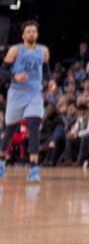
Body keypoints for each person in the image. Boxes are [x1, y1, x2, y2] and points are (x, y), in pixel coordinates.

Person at [0, 21, 49, 182]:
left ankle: (33, 168)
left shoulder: (43, 51)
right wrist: (15, 76)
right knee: (10, 131)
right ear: (23, 35)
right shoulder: (15, 50)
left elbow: (46, 71)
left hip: (34, 94)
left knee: (34, 129)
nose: (31, 34)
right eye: (28, 31)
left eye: (34, 31)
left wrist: (51, 82)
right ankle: (1, 162)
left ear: (37, 34)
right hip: (17, 93)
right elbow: (3, 70)